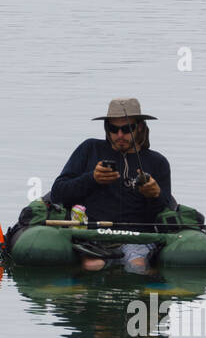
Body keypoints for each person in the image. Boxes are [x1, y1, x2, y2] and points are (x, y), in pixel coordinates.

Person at [49, 97, 174, 272]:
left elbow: (163, 211)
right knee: (93, 265)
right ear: (107, 129)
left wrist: (154, 195)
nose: (120, 135)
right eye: (114, 129)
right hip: (93, 235)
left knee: (136, 266)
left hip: (137, 237)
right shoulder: (89, 148)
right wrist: (92, 179)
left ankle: (145, 293)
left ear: (139, 127)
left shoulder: (158, 162)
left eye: (126, 129)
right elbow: (58, 193)